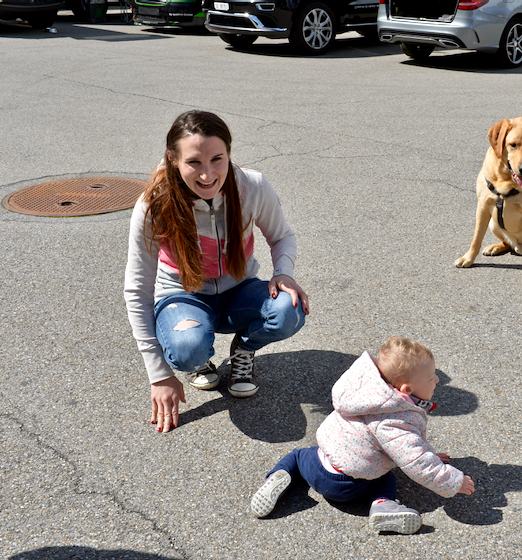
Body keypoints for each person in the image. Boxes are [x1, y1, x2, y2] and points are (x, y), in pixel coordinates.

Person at [124, 110, 309, 433]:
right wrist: (159, 375)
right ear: (173, 159)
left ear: (229, 154)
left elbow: (282, 236)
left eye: (217, 159)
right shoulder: (153, 204)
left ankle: (244, 349)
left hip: (239, 290)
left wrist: (284, 272)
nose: (208, 174)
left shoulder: (252, 186)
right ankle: (199, 360)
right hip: (183, 296)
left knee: (289, 309)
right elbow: (137, 289)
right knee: (187, 348)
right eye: (194, 162)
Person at [250, 336, 475, 534]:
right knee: (386, 478)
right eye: (431, 378)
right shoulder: (395, 420)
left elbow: (412, 448)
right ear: (405, 389)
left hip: (319, 462)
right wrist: (454, 481)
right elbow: (416, 461)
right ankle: (383, 504)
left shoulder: (366, 391)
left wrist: (432, 455)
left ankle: (278, 476)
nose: (436, 381)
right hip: (346, 486)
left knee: (298, 455)